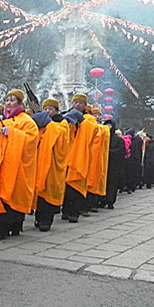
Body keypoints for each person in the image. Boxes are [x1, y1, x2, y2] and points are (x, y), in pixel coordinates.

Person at [0, 89, 39, 240]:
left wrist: (13, 133)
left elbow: (32, 140)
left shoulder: (27, 121)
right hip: (1, 165)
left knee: (15, 196)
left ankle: (14, 226)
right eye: (7, 100)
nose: (8, 103)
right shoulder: (2, 120)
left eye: (12, 100)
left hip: (18, 167)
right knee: (1, 196)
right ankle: (1, 229)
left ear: (19, 103)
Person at [32, 98, 71, 232]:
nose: (47, 111)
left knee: (49, 192)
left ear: (56, 110)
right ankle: (38, 217)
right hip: (40, 162)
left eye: (50, 109)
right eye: (45, 109)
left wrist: (49, 124)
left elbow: (62, 141)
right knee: (40, 192)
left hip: (53, 164)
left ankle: (46, 221)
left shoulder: (62, 123)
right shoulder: (43, 123)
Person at [61, 94, 96, 223]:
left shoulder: (89, 119)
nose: (77, 105)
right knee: (66, 187)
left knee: (77, 186)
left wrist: (82, 122)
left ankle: (74, 212)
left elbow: (94, 131)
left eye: (81, 103)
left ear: (85, 105)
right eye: (75, 102)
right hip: (67, 156)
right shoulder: (66, 116)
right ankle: (65, 211)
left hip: (80, 156)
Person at [84, 108, 110, 214]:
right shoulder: (88, 125)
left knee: (96, 180)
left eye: (98, 115)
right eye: (95, 115)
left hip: (98, 159)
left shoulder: (103, 129)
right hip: (89, 158)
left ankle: (94, 204)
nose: (97, 117)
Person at [99, 120, 126, 209]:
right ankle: (102, 200)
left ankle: (110, 201)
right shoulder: (101, 137)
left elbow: (121, 152)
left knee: (112, 184)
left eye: (110, 125)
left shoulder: (118, 140)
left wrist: (109, 152)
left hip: (113, 165)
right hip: (102, 165)